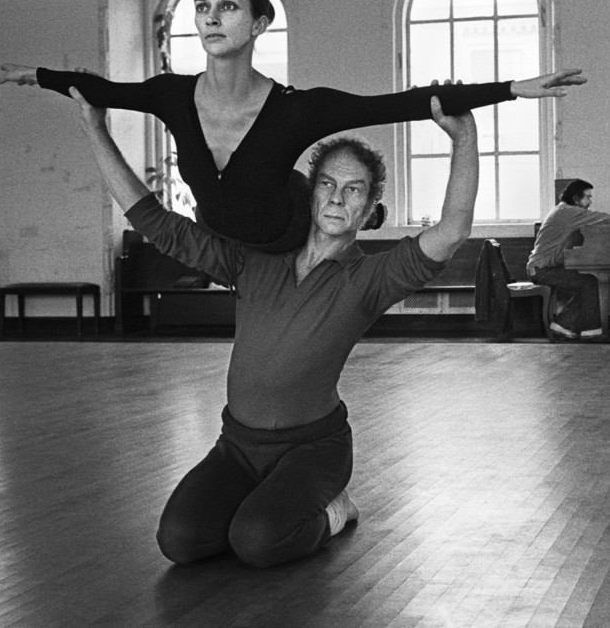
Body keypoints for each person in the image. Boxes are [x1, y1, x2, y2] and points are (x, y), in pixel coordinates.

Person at [67, 81, 488, 567]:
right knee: (180, 540)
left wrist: (464, 139)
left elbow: (453, 229)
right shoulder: (254, 259)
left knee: (258, 541)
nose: (336, 198)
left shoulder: (370, 278)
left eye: (353, 191)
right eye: (327, 184)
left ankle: (336, 508)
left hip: (314, 449)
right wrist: (95, 127)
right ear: (310, 194)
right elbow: (155, 221)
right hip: (238, 448)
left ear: (370, 210)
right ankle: (265, 501)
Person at [0, 0, 585, 251]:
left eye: (227, 6)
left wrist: (512, 89)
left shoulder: (299, 110)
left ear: (257, 22)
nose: (210, 17)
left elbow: (402, 102)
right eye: (201, 7)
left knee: (325, 211)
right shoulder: (171, 95)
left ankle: (363, 217)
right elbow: (101, 91)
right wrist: (39, 76)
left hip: (293, 238)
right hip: (228, 249)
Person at [526, 178, 610, 339]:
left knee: (588, 281)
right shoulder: (569, 212)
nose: (590, 202)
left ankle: (562, 324)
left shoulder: (562, 211)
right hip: (541, 270)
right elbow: (602, 218)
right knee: (590, 282)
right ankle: (591, 331)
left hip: (542, 268)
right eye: (587, 197)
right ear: (576, 198)